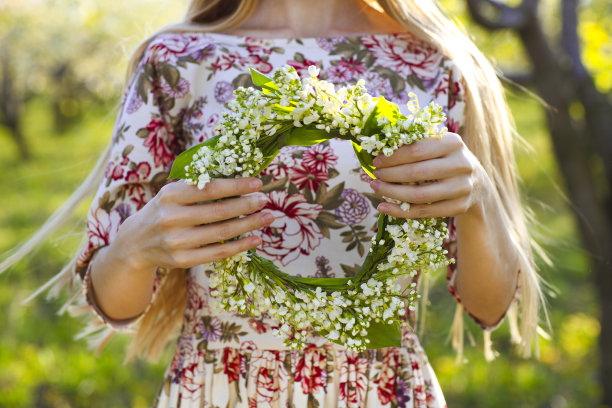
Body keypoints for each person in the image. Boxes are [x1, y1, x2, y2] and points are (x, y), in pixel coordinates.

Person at [1, 0, 545, 406]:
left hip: (380, 388)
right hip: (217, 387)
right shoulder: (179, 60)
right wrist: (138, 247)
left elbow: (488, 306)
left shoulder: (433, 63)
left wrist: (480, 200)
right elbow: (112, 302)